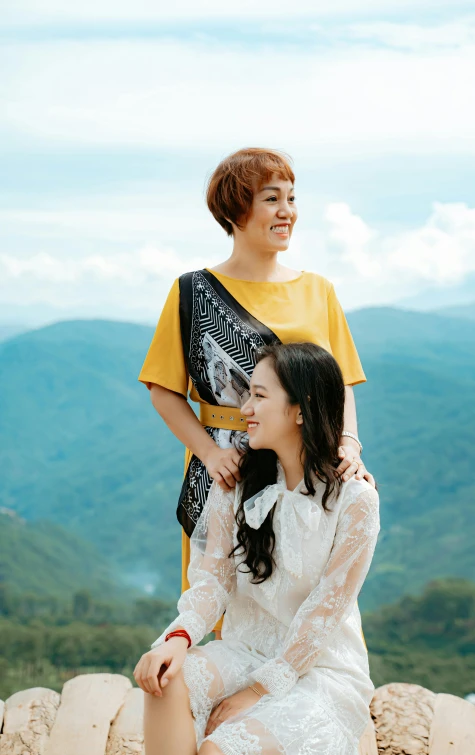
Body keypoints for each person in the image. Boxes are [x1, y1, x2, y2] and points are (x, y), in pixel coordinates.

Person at [138, 147, 375, 640]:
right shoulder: (193, 292)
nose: (288, 210)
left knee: (306, 594)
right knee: (221, 596)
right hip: (225, 466)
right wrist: (207, 453)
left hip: (303, 465)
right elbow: (164, 389)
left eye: (291, 197)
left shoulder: (319, 290)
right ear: (235, 210)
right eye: (272, 198)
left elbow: (343, 383)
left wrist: (348, 446)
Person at [134, 342, 380, 755]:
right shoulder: (237, 482)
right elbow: (214, 582)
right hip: (244, 649)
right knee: (165, 678)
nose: (244, 408)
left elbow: (325, 611)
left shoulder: (355, 499)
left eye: (260, 396)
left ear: (301, 410)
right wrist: (178, 636)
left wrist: (261, 689)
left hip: (318, 669)